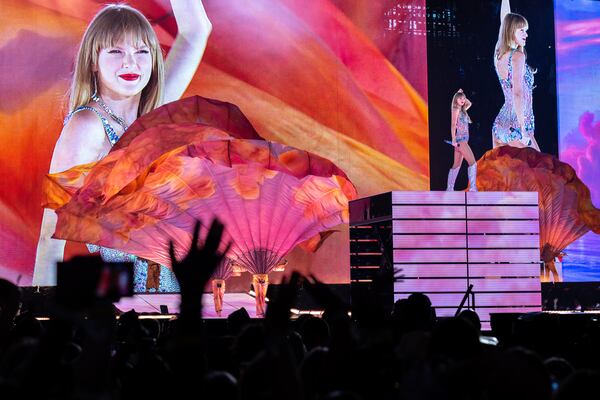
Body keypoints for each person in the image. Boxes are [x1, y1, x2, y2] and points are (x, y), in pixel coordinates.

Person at [33, 1, 212, 289]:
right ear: (93, 60)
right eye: (116, 51)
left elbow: (196, 31)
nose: (131, 62)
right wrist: (40, 315)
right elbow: (51, 236)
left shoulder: (152, 113)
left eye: (142, 51)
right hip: (124, 301)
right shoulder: (87, 127)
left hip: (175, 290)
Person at [492, 0, 540, 151]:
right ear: (511, 31)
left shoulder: (499, 54)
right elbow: (517, 94)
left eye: (526, 30)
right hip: (517, 127)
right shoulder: (518, 56)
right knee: (542, 172)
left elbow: (504, 22)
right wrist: (523, 129)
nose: (526, 34)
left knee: (508, 174)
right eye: (522, 30)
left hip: (500, 127)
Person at [446, 89, 477, 191]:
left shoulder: (463, 110)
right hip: (461, 140)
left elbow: (469, 103)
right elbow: (453, 125)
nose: (463, 100)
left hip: (462, 141)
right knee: (473, 163)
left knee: (456, 165)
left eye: (463, 98)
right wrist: (454, 140)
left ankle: (450, 189)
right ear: (456, 99)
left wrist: (462, 95)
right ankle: (472, 188)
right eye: (460, 98)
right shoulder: (456, 109)